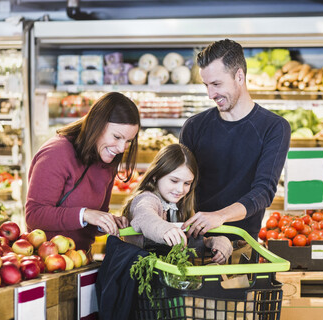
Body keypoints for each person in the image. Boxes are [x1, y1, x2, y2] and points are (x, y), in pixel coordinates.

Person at [180, 39, 291, 241]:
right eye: (206, 85)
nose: (210, 94)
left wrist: (220, 217)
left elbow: (263, 192)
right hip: (196, 241)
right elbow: (178, 184)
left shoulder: (274, 127)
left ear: (239, 76)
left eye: (216, 84)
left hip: (243, 244)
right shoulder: (194, 127)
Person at [25, 92, 140, 251]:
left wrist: (106, 222)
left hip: (81, 261)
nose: (122, 148)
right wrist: (85, 214)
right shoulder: (57, 153)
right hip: (46, 262)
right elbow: (34, 215)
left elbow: (92, 220)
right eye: (116, 137)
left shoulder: (107, 160)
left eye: (128, 141)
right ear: (97, 125)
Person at [121, 144, 233, 264]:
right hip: (137, 275)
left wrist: (210, 242)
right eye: (174, 181)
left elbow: (186, 245)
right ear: (155, 176)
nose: (180, 189)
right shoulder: (146, 199)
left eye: (187, 183)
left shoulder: (180, 206)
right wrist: (164, 229)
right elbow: (145, 216)